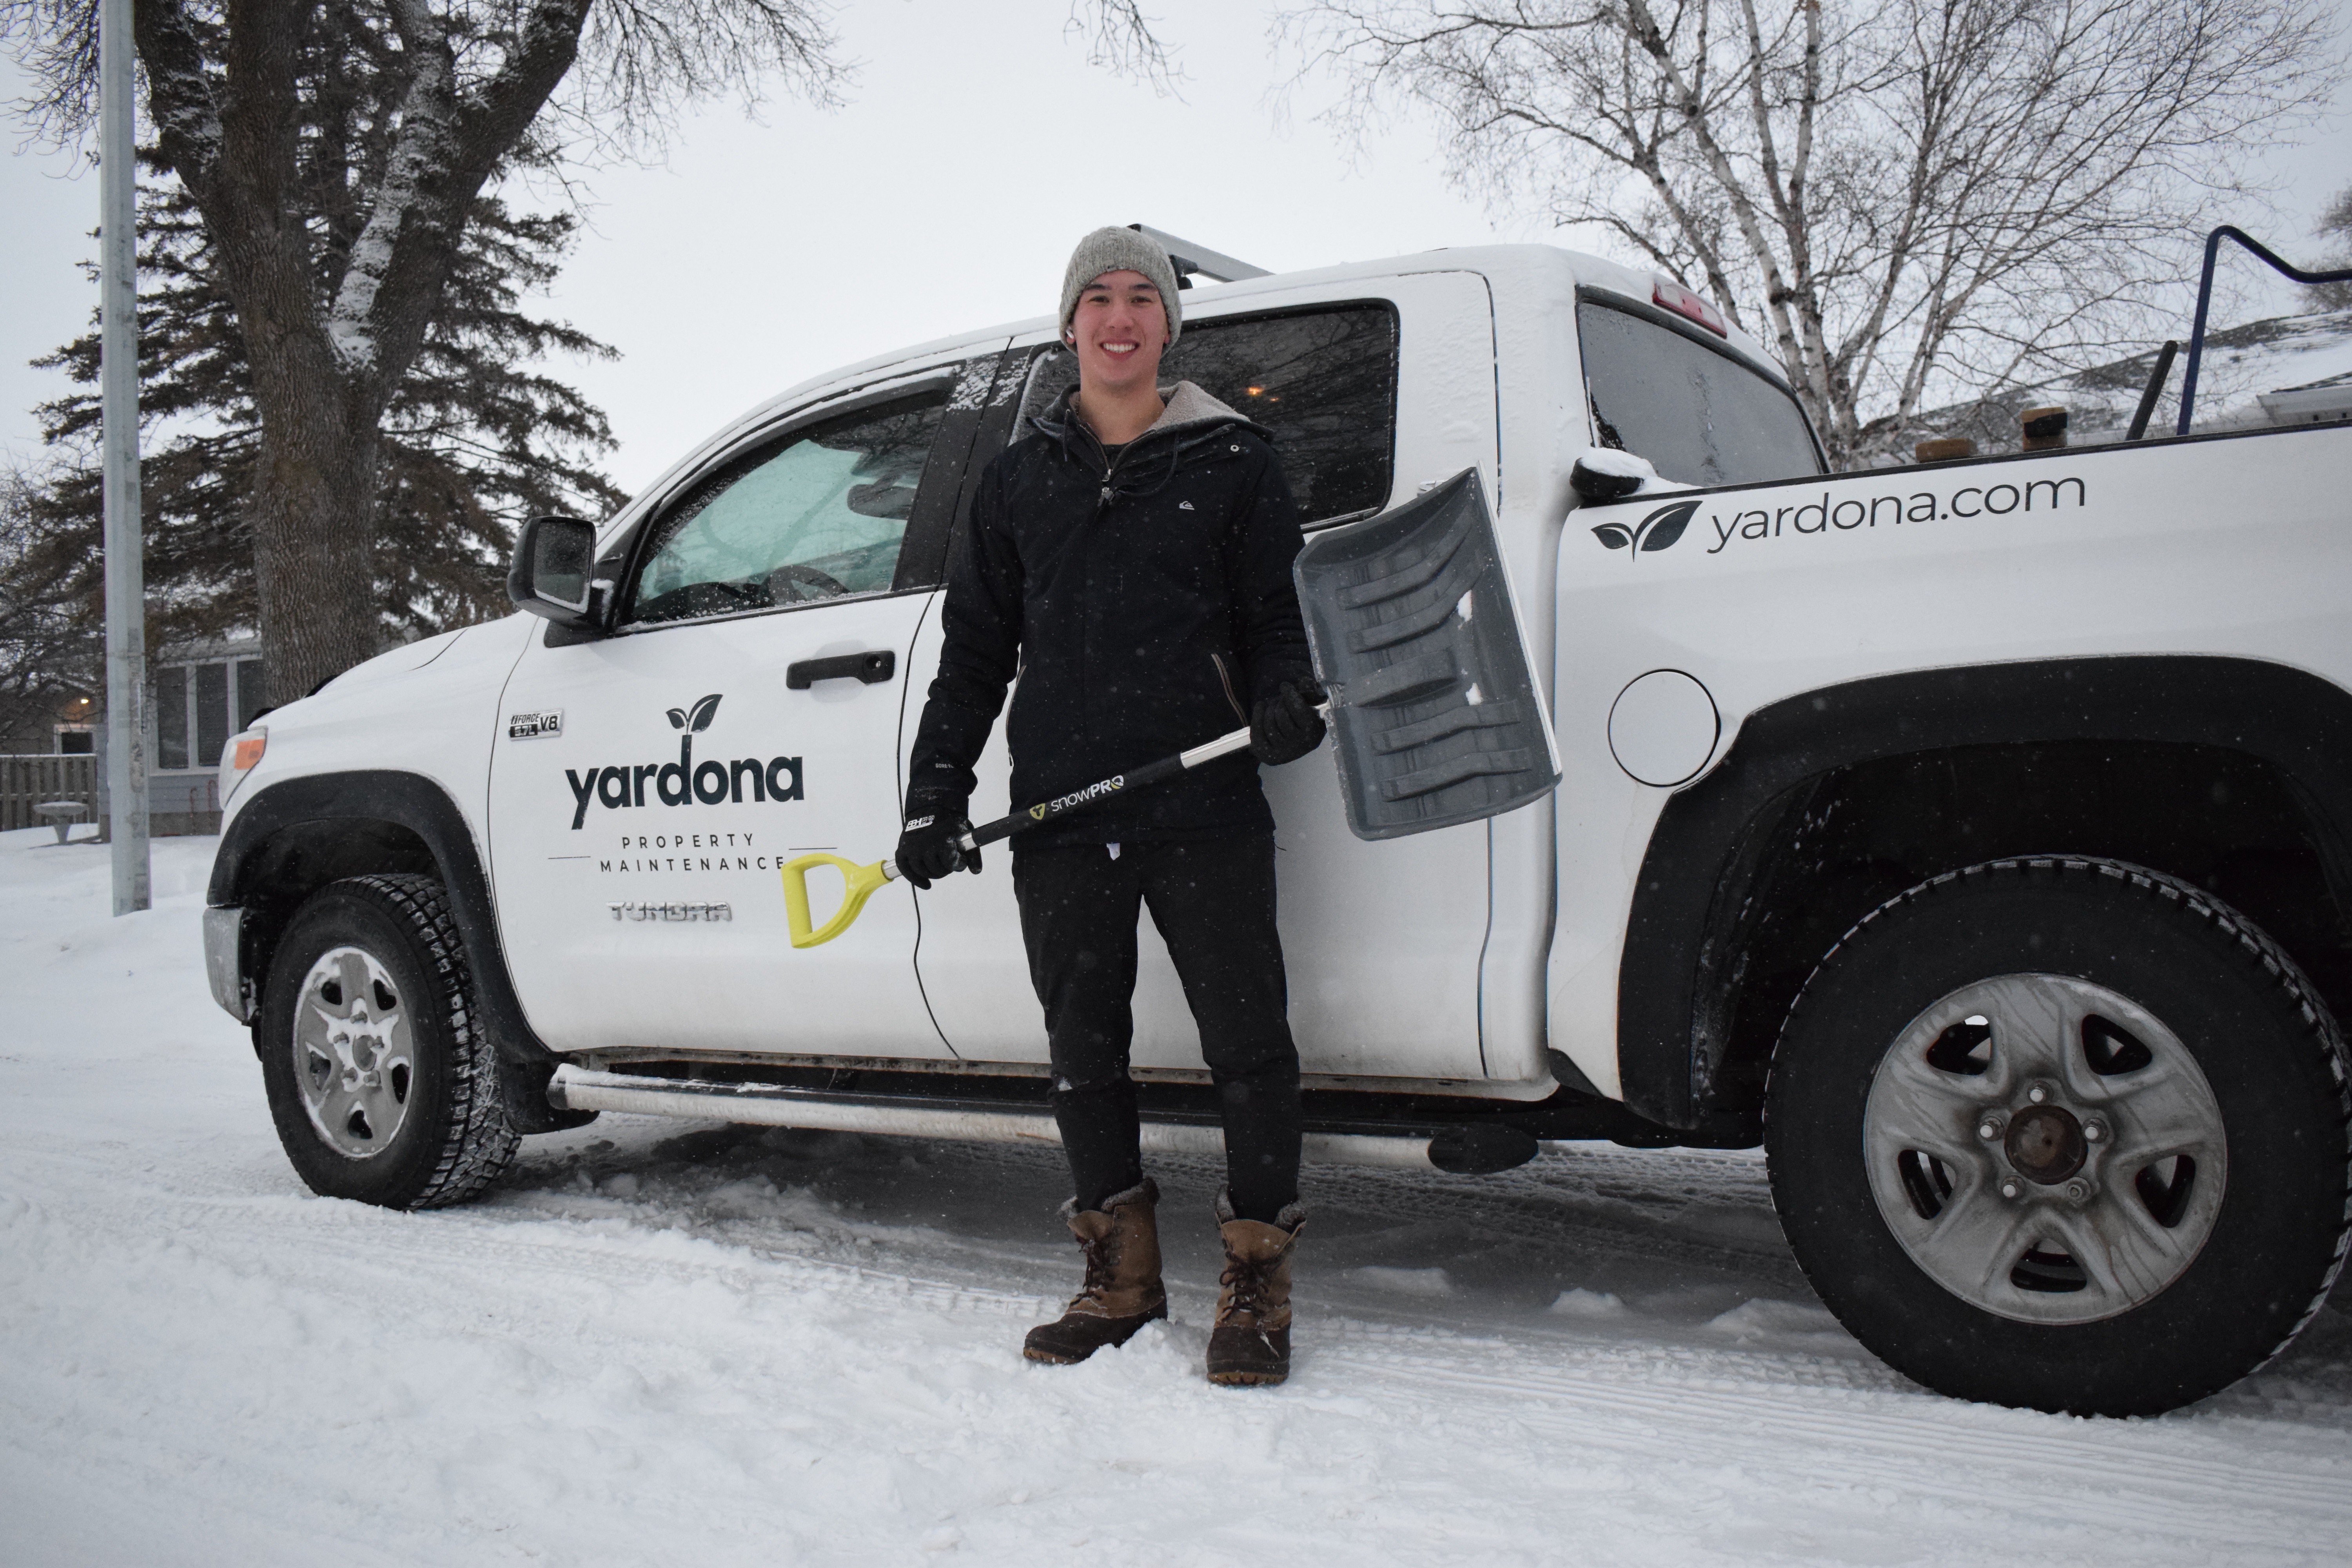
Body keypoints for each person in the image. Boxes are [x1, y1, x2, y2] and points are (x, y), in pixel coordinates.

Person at [899, 227, 1327, 1387]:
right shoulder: (1019, 476)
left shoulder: (1234, 460)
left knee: (1249, 1041)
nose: (1121, 316)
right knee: (1085, 1045)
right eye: (1100, 297)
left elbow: (1277, 619)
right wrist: (935, 793)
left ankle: (1257, 1284)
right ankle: (1120, 1279)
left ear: (1168, 327)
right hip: (1061, 808)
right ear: (1070, 322)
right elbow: (976, 651)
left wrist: (1289, 696)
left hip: (1205, 793)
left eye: (1144, 297)